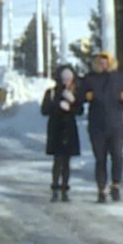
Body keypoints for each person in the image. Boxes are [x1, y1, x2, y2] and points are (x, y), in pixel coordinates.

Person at [80, 51, 123, 203]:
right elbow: (80, 94)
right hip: (97, 125)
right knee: (100, 158)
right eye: (100, 61)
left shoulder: (120, 78)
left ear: (111, 62)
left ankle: (116, 186)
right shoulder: (90, 78)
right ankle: (101, 190)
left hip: (115, 125)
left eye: (106, 61)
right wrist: (87, 96)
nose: (103, 64)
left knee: (117, 156)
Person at [40, 64, 82, 201]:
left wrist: (73, 103)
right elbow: (44, 110)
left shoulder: (74, 92)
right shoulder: (51, 93)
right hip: (56, 129)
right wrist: (57, 105)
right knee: (57, 160)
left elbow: (80, 111)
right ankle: (55, 187)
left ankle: (65, 188)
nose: (66, 82)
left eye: (69, 79)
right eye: (64, 79)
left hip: (69, 129)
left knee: (67, 162)